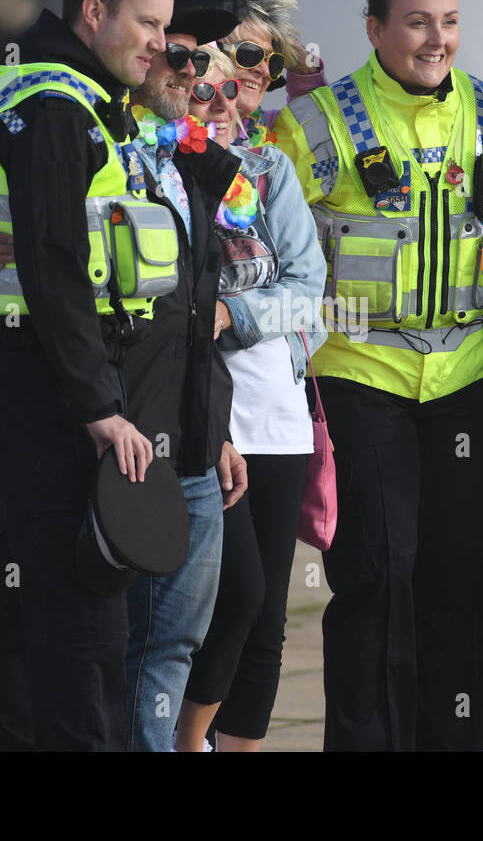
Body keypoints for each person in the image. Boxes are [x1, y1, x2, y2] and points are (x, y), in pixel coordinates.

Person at [0, 0, 172, 750]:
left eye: (168, 26)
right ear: (93, 14)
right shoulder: (58, 105)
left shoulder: (43, 87)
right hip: (57, 380)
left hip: (36, 369)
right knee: (84, 610)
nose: (161, 43)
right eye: (147, 23)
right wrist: (97, 406)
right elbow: (59, 269)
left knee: (25, 594)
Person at [272, 0, 483, 751]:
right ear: (375, 29)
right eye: (417, 21)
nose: (436, 38)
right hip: (361, 377)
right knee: (377, 577)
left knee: (459, 581)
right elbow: (256, 224)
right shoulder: (316, 125)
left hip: (466, 378)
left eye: (448, 21)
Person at [171, 47, 326, 751]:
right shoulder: (167, 175)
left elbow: (306, 290)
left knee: (267, 620)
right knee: (235, 597)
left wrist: (235, 316)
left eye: (235, 91)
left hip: (278, 417)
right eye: (206, 93)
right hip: (206, 417)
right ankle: (183, 741)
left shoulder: (271, 171)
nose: (225, 106)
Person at [118, 0, 253, 753]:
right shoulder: (100, 143)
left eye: (200, 61)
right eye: (174, 54)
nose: (191, 75)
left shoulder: (193, 162)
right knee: (125, 644)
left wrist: (219, 428)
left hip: (197, 442)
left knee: (174, 646)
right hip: (130, 440)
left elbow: (196, 318)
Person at [182, 0, 326, 146]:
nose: (265, 71)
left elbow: (316, 119)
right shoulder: (159, 134)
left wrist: (303, 67)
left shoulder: (270, 134)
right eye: (249, 54)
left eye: (273, 62)